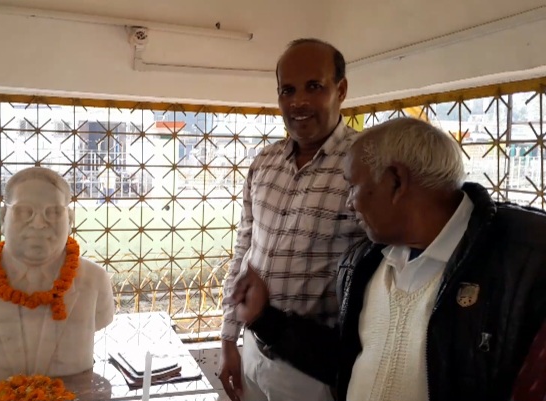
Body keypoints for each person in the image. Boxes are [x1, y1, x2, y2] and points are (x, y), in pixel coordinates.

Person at [227, 117, 546, 401]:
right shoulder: (363, 263)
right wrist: (264, 319)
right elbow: (345, 361)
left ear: (396, 181)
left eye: (353, 186)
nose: (349, 204)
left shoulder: (524, 263)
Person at [219, 38, 365, 401]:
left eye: (314, 86)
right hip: (254, 353)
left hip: (314, 372)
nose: (298, 102)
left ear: (341, 90)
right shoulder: (264, 163)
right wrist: (228, 340)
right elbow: (244, 252)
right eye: (287, 90)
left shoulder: (366, 164)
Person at [0, 166, 115, 383]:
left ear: (70, 219)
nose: (38, 224)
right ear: (3, 217)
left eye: (53, 212)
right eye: (24, 211)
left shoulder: (95, 281)